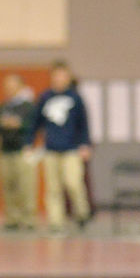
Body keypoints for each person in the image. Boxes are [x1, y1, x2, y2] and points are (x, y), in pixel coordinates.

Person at [29, 60, 92, 233]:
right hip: (51, 149)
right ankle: (55, 221)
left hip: (71, 149)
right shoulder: (45, 97)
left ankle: (82, 213)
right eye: (56, 75)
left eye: (63, 75)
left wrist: (85, 144)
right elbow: (36, 123)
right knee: (53, 188)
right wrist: (30, 143)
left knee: (73, 183)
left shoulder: (75, 98)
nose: (59, 79)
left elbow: (83, 124)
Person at [0, 74, 37, 230]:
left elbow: (32, 125)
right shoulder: (4, 106)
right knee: (8, 185)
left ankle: (29, 218)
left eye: (12, 85)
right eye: (7, 85)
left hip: (22, 150)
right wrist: (4, 124)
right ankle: (12, 217)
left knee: (25, 185)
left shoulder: (28, 106)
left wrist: (18, 124)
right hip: (6, 150)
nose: (8, 89)